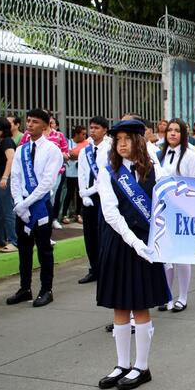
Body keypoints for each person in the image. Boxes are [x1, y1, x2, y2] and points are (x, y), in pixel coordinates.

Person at [96, 119, 170, 390]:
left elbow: (165, 206)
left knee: (140, 305)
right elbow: (111, 213)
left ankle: (142, 366)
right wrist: (135, 243)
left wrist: (158, 245)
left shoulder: (154, 170)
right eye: (118, 139)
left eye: (127, 138)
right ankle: (121, 364)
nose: (122, 143)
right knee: (119, 306)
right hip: (120, 243)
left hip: (147, 243)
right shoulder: (108, 171)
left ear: (139, 141)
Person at [8, 109, 64, 308]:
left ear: (45, 125)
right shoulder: (21, 150)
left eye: (35, 122)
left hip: (39, 205)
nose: (30, 125)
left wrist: (26, 203)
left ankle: (46, 289)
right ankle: (25, 288)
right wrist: (17, 202)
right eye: (28, 121)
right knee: (24, 249)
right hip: (22, 206)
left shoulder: (52, 150)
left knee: (44, 249)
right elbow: (15, 177)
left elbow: (47, 182)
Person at [157, 118, 195, 312]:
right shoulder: (160, 155)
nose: (173, 133)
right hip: (163, 209)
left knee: (181, 254)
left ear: (183, 134)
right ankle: (167, 295)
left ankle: (182, 296)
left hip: (183, 209)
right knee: (165, 255)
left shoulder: (191, 155)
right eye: (170, 130)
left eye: (177, 130)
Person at [77, 116, 111, 284]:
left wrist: (89, 192)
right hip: (87, 198)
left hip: (102, 195)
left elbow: (105, 175)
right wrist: (83, 193)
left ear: (105, 130)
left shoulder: (109, 149)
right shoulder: (85, 150)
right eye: (91, 127)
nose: (93, 131)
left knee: (102, 234)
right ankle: (94, 269)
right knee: (89, 234)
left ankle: (105, 269)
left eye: (97, 128)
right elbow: (81, 173)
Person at [0, 117, 18, 252]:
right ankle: (0, 239)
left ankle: (14, 241)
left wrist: (5, 177)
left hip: (4, 180)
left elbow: (11, 159)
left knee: (7, 211)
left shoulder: (7, 141)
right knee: (0, 212)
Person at [62, 125, 88, 224]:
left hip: (80, 174)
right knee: (68, 194)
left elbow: (77, 155)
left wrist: (75, 155)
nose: (84, 136)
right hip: (70, 173)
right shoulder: (69, 143)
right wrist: (76, 155)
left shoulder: (85, 143)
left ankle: (78, 214)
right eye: (83, 134)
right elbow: (69, 155)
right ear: (76, 134)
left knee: (79, 194)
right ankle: (64, 214)